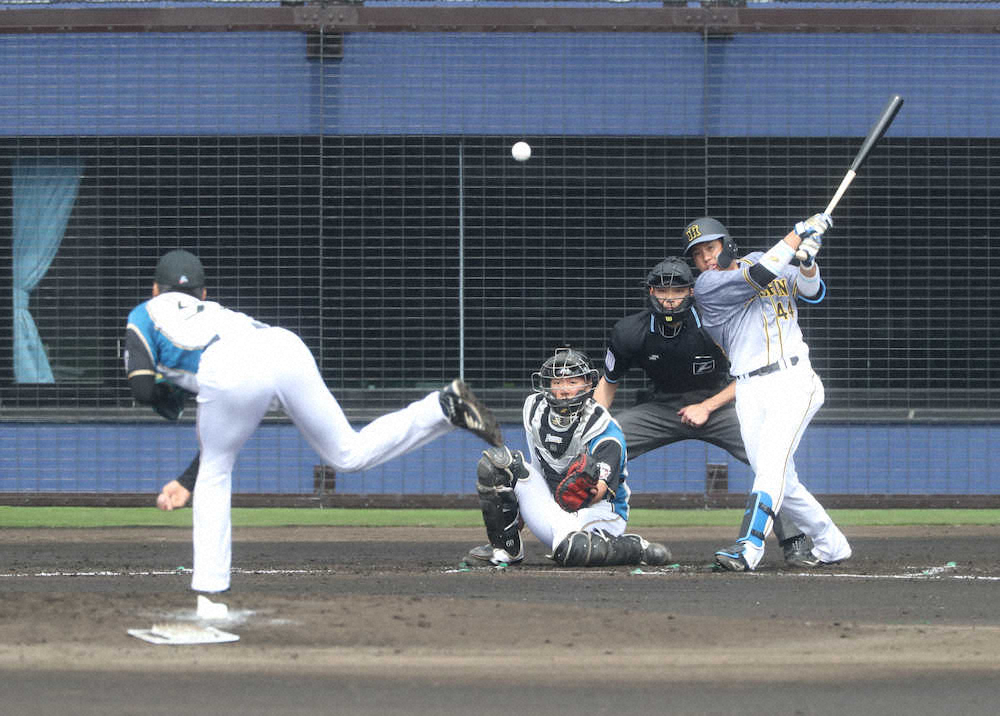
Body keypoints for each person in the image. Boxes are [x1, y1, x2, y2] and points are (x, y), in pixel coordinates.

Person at [124, 249, 503, 593]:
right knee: (347, 453)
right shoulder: (219, 313)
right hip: (282, 345)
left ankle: (209, 590)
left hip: (226, 366)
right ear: (203, 295)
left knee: (216, 472)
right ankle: (442, 407)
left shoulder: (144, 312)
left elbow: (142, 388)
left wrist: (166, 392)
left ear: (156, 289)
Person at [592, 257, 815, 568]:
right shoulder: (630, 331)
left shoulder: (716, 322)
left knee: (771, 458)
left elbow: (749, 374)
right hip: (662, 408)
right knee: (601, 444)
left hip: (719, 404)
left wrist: (707, 406)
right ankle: (583, 528)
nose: (669, 299)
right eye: (661, 291)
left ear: (692, 292)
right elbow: (607, 384)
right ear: (650, 292)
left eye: (677, 291)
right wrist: (590, 430)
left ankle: (796, 540)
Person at [681, 215, 852, 571]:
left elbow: (813, 292)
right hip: (748, 388)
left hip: (792, 379)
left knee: (771, 466)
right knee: (782, 481)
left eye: (710, 248)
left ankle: (749, 547)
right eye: (698, 255)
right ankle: (832, 544)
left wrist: (806, 262)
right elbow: (760, 277)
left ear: (726, 244)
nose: (706, 259)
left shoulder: (767, 256)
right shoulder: (709, 286)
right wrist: (795, 236)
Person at [465, 346, 671, 568]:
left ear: (588, 384)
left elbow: (600, 491)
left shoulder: (603, 427)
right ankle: (506, 548)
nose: (563, 389)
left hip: (601, 512)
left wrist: (577, 491)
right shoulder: (535, 410)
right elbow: (536, 468)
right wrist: (522, 515)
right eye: (557, 382)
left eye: (572, 382)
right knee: (496, 464)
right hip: (557, 508)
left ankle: (634, 547)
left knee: (573, 549)